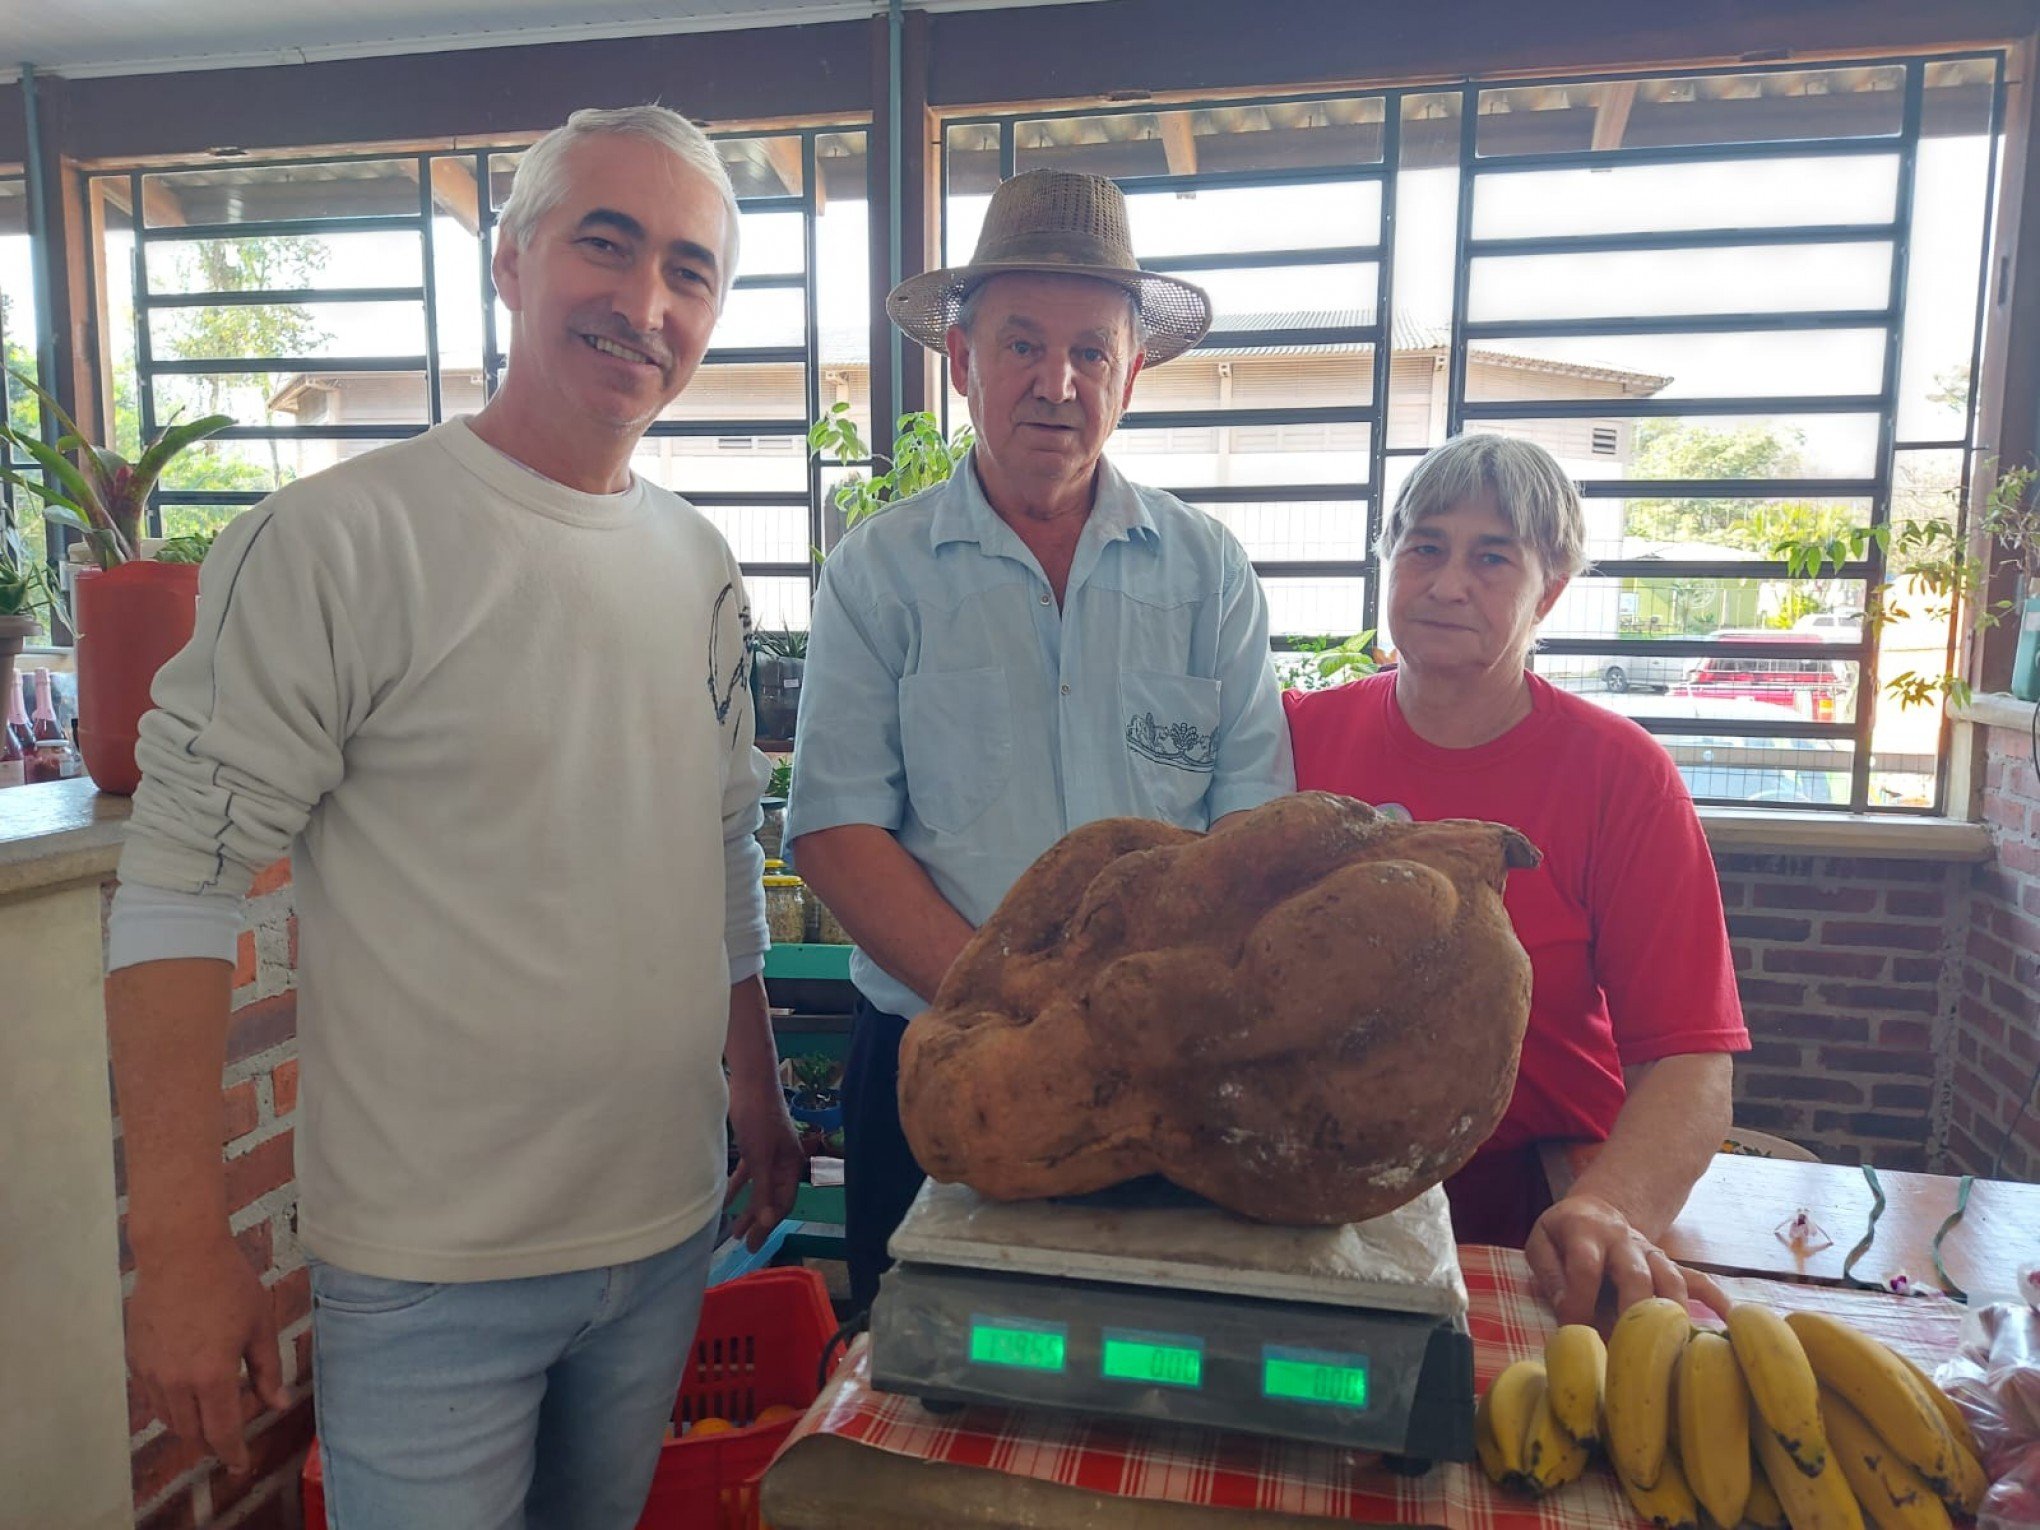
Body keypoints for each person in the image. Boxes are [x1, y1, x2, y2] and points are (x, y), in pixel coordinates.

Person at [106, 105, 803, 1528]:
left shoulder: (697, 560)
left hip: (661, 1229)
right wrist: (177, 1238)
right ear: (512, 260)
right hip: (434, 1263)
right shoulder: (335, 542)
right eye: (604, 246)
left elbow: (716, 836)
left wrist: (756, 1082)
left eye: (690, 269)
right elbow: (178, 877)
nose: (645, 301)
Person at [787, 169, 1295, 1312]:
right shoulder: (880, 573)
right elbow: (833, 826)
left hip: (1158, 1077)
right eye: (1021, 345)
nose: (1055, 384)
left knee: (1146, 1379)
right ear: (961, 362)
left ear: (1133, 371)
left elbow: (1251, 829)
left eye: (1091, 351)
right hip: (936, 1059)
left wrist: (1127, 1024)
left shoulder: (1208, 571)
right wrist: (1013, 1003)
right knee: (922, 1393)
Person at [1284, 432, 1747, 1323]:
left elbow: (1688, 1058)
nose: (1447, 583)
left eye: (1491, 557)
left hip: (1541, 1201)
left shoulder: (1621, 774)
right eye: (1424, 546)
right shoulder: (1295, 736)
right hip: (1315, 1184)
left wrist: (1607, 1208)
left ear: (1553, 591)